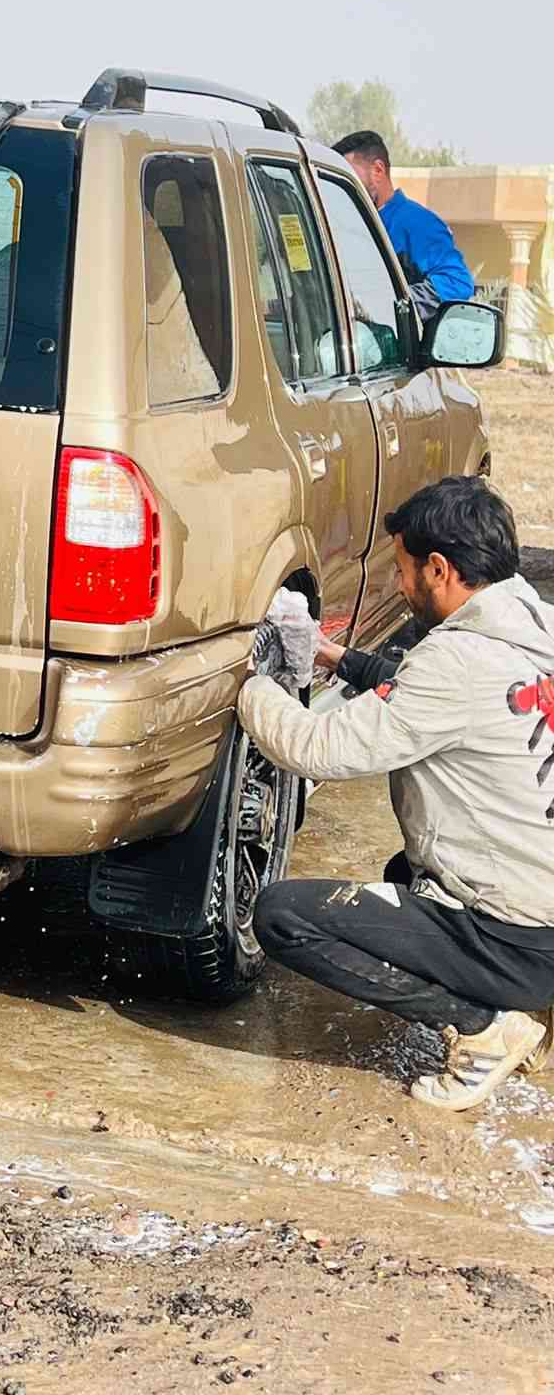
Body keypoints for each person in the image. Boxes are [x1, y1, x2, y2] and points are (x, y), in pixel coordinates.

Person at [237, 476, 554, 1111]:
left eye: (406, 571)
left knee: (284, 916)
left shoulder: (456, 662)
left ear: (440, 569)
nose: (402, 587)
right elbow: (429, 698)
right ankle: (533, 1006)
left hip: (515, 937)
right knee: (402, 875)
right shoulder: (534, 626)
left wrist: (246, 682)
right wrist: (334, 657)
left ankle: (484, 1026)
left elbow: (313, 749)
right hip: (543, 914)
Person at [330, 131, 474, 323]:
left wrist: (390, 305)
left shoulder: (418, 223)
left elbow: (456, 282)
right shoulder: (345, 223)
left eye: (350, 177)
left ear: (378, 171)